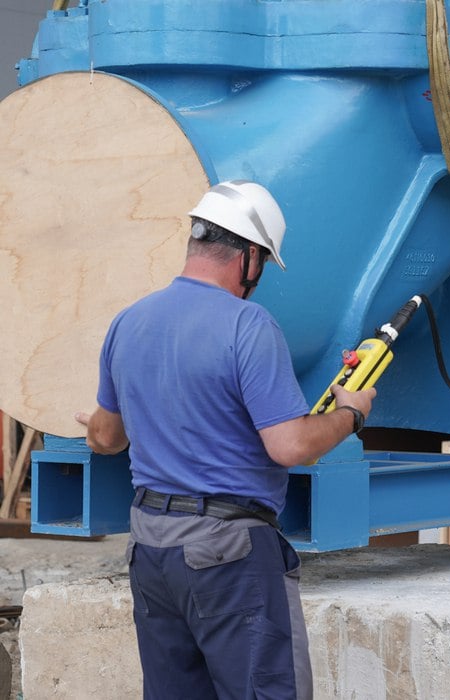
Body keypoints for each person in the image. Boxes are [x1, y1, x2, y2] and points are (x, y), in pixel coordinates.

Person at [75, 180, 375, 699]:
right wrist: (350, 414)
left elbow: (105, 437)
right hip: (228, 551)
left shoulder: (129, 321)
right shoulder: (248, 325)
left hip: (150, 546)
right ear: (250, 258)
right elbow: (289, 446)